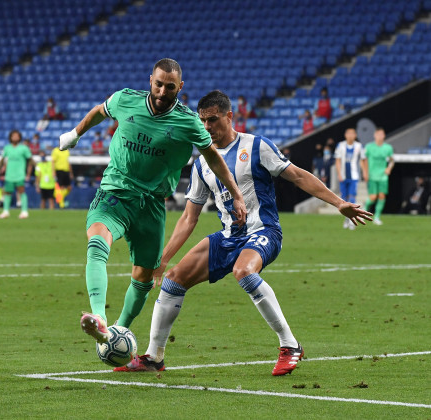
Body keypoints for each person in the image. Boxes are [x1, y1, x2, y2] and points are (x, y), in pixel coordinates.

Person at [114, 90, 372, 375]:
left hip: (264, 232)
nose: (207, 127)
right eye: (202, 121)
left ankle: (290, 345)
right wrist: (162, 261)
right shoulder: (202, 162)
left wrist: (339, 203)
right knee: (173, 281)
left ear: (229, 116)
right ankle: (153, 357)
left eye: (213, 120)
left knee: (244, 271)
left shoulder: (257, 146)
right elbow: (190, 216)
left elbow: (297, 175)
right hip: (228, 237)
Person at [58, 60, 246, 348]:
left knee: (144, 276)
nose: (162, 91)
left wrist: (236, 192)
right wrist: (74, 134)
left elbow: (213, 158)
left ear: (179, 87)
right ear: (150, 80)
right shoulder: (125, 100)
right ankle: (98, 317)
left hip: (152, 205)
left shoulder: (188, 122)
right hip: (115, 192)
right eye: (158, 84)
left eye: (169, 87)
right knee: (97, 241)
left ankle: (116, 332)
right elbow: (99, 111)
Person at [0, 129, 33, 219]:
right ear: (10, 137)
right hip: (9, 175)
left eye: (17, 136)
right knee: (7, 193)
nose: (15, 137)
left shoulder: (24, 148)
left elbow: (30, 161)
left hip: (20, 174)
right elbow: (2, 160)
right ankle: (6, 211)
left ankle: (24, 211)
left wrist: (28, 173)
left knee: (21, 192)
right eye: (13, 136)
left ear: (19, 137)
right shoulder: (7, 148)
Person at [335, 128, 367, 230]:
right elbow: (338, 161)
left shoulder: (359, 146)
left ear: (355, 135)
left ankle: (351, 221)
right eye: (348, 133)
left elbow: (362, 160)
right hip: (343, 176)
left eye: (352, 133)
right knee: (344, 200)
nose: (350, 135)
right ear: (345, 135)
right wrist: (339, 173)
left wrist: (365, 172)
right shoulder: (340, 145)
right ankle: (346, 219)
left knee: (352, 198)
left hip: (354, 176)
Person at [364, 127, 394, 225]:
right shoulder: (369, 147)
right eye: (378, 134)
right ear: (375, 135)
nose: (380, 136)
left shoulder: (388, 148)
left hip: (383, 176)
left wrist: (389, 168)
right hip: (372, 175)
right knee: (373, 197)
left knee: (382, 196)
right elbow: (364, 160)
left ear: (384, 135)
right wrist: (365, 172)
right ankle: (363, 210)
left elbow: (392, 161)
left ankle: (377, 217)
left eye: (382, 134)